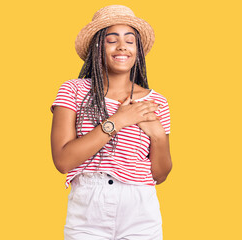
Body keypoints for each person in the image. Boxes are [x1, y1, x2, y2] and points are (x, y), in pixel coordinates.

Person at [50, 5, 172, 240]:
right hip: (88, 206)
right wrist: (117, 121)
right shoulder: (74, 90)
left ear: (137, 50)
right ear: (97, 47)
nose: (122, 46)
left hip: (140, 207)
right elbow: (63, 161)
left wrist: (157, 135)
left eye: (130, 40)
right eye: (111, 40)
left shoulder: (156, 101)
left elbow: (160, 174)